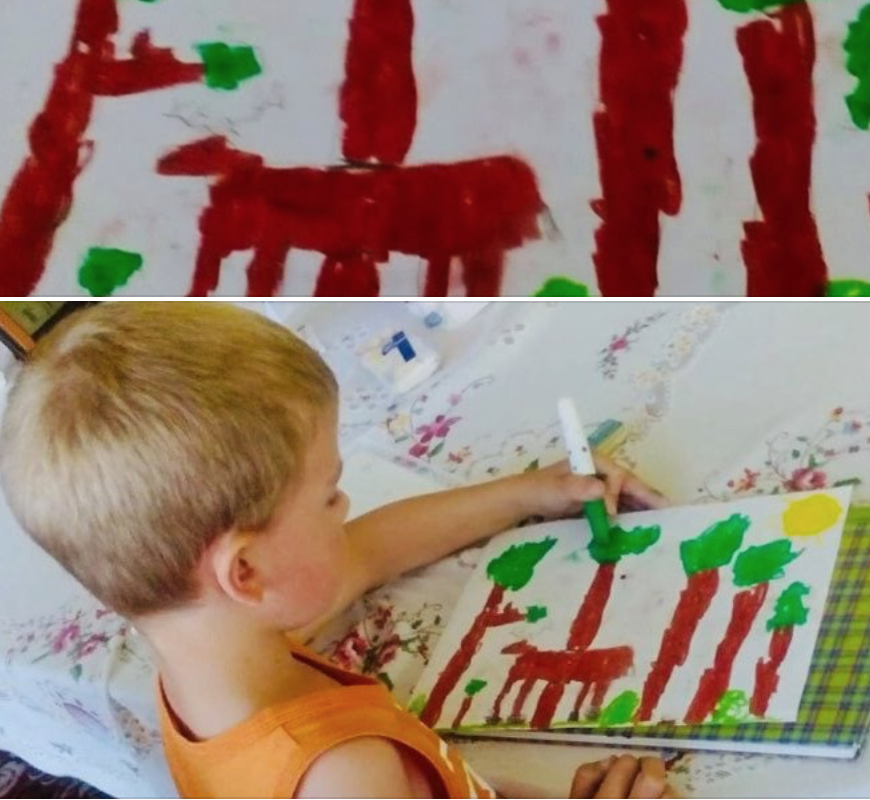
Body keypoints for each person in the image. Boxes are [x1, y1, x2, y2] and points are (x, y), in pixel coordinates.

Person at [0, 302, 678, 799]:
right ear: (246, 570)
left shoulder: (208, 643)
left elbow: (368, 549)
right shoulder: (345, 774)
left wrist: (530, 491)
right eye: (329, 493)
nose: (346, 507)